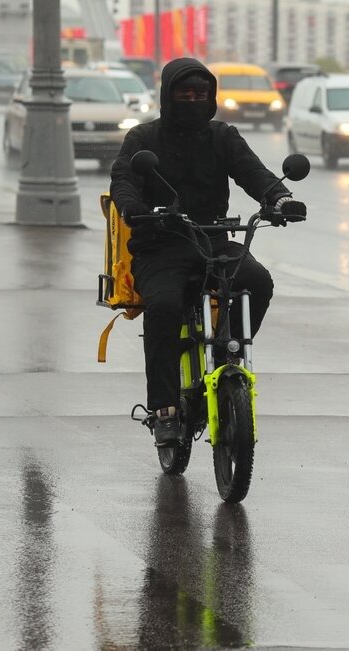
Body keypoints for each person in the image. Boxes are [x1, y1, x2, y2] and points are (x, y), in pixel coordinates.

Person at [110, 57, 306, 447]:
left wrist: (279, 198)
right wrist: (133, 208)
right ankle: (164, 410)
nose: (194, 100)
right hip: (159, 244)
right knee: (163, 306)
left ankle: (227, 351)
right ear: (168, 96)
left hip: (213, 238)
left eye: (202, 94)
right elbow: (124, 179)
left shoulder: (222, 136)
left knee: (257, 281)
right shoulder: (143, 139)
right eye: (185, 94)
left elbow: (252, 172)